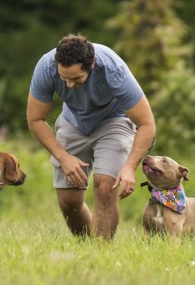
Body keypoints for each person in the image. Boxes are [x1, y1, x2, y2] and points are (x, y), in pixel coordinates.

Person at [26, 33, 156, 240]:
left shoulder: (113, 70)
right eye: (64, 79)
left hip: (114, 120)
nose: (69, 85)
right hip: (73, 121)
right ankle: (87, 248)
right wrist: (63, 157)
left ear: (92, 64)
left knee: (105, 187)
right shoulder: (46, 67)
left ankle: (100, 252)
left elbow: (147, 124)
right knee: (69, 201)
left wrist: (130, 167)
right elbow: (35, 120)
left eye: (76, 79)